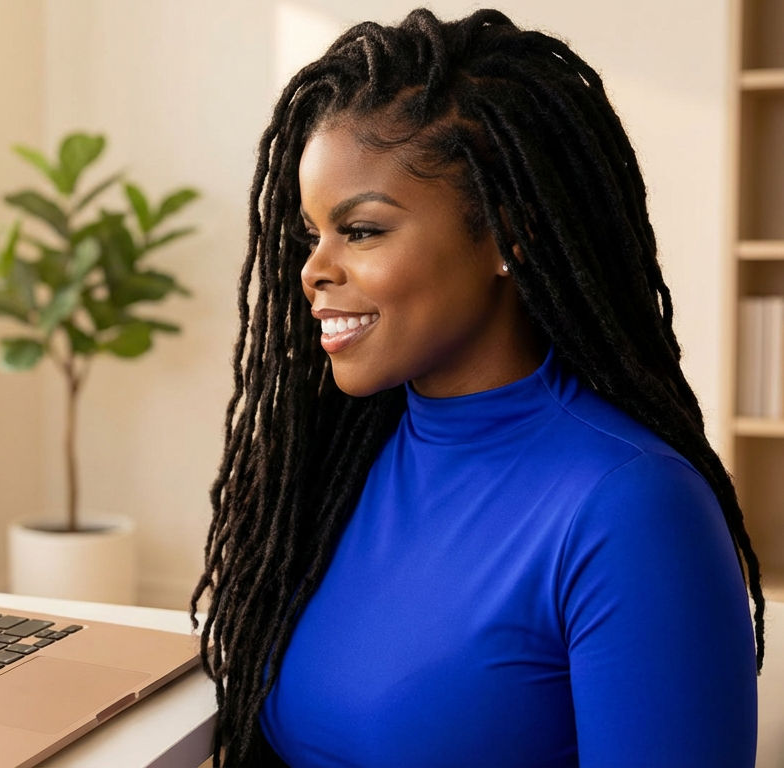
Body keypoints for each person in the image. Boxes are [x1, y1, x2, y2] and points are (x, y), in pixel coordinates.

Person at [191, 9, 763, 767]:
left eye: (361, 231)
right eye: (311, 233)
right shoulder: (337, 462)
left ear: (507, 233)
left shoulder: (632, 509)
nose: (314, 270)